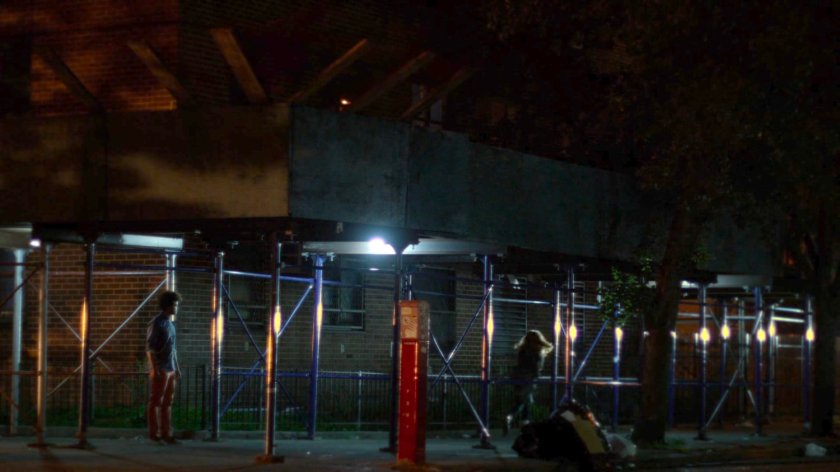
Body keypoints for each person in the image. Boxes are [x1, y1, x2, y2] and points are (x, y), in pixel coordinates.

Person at [147, 290, 182, 444]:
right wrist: (155, 368)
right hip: (161, 367)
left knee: (168, 401)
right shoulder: (157, 322)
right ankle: (155, 434)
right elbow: (150, 348)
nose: (176, 308)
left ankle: (167, 433)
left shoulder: (170, 324)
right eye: (175, 305)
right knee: (157, 401)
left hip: (171, 367)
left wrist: (177, 368)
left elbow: (173, 348)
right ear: (167, 306)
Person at [503, 329, 554, 436]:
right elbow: (536, 368)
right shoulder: (538, 352)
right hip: (529, 379)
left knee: (522, 401)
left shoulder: (522, 350)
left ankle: (522, 423)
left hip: (518, 378)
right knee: (524, 402)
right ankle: (511, 417)